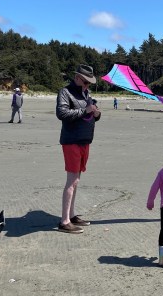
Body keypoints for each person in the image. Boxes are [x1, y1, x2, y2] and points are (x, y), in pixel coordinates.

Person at [56, 64, 101, 234]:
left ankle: (71, 215)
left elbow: (89, 116)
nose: (87, 85)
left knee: (77, 180)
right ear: (77, 78)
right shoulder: (65, 92)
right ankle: (64, 220)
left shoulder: (86, 93)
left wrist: (96, 114)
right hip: (71, 140)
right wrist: (85, 110)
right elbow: (62, 114)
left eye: (89, 83)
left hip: (84, 140)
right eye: (86, 82)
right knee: (72, 180)